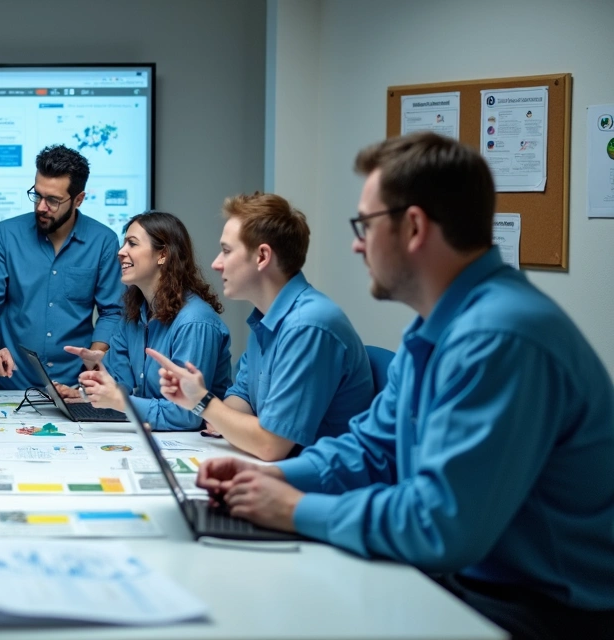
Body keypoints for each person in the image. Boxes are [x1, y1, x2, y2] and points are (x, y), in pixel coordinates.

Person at [159, 132, 614, 639]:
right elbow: (373, 450)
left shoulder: (500, 336)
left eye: (365, 225)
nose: (357, 244)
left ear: (414, 227)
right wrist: (278, 479)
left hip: (542, 611)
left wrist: (294, 508)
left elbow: (439, 525)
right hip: (471, 582)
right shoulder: (436, 326)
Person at [154, 193, 372, 460]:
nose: (216, 263)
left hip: (321, 479)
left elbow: (271, 445)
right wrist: (213, 412)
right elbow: (242, 397)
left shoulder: (308, 324)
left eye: (226, 251)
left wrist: (203, 402)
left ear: (262, 256)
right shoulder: (266, 317)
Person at [0, 144, 124, 390]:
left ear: (78, 200)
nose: (41, 206)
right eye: (37, 195)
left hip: (75, 385)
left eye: (53, 200)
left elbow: (112, 312)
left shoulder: (103, 241)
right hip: (12, 382)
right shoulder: (5, 235)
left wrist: (93, 362)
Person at [62, 211, 231, 431]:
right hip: (156, 436)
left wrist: (120, 401)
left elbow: (186, 415)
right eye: (124, 243)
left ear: (163, 254)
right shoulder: (135, 313)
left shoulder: (194, 322)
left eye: (132, 244)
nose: (120, 252)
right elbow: (119, 384)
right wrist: (89, 389)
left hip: (195, 442)